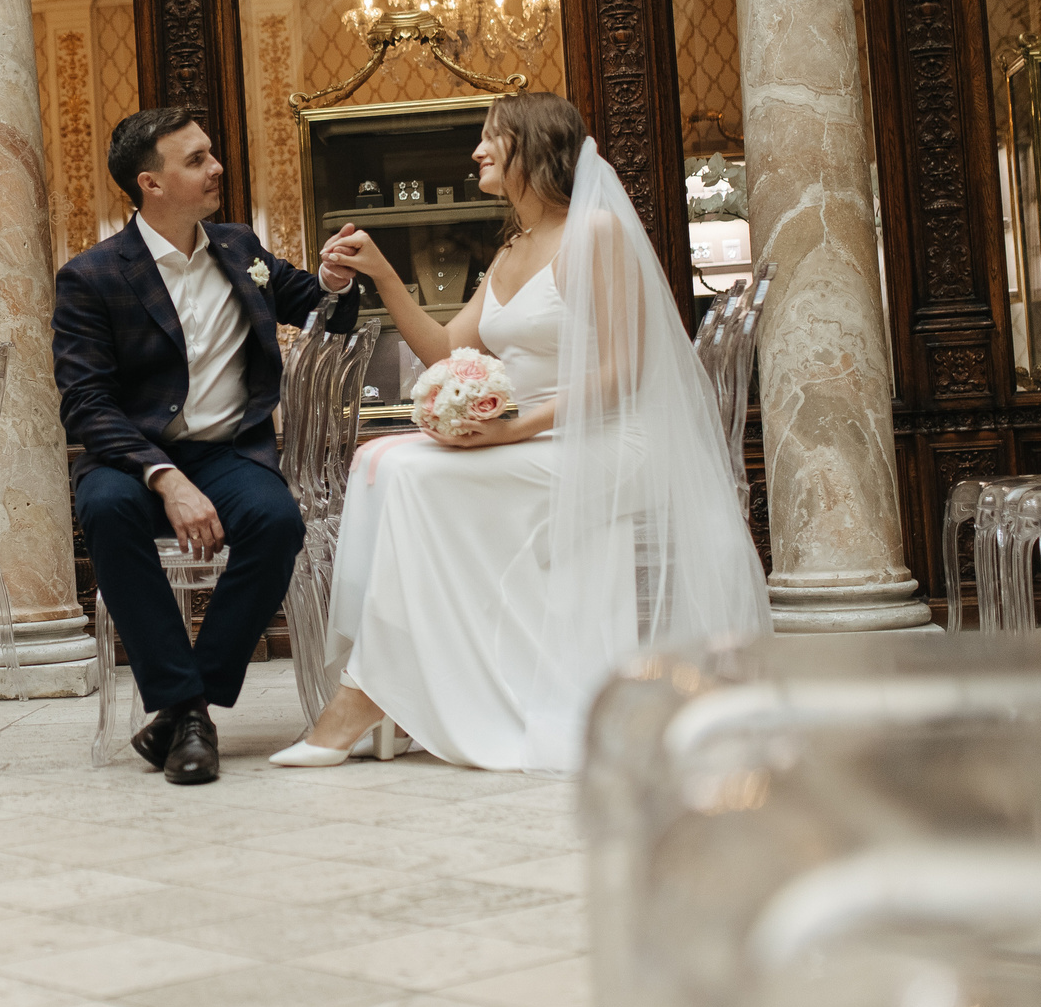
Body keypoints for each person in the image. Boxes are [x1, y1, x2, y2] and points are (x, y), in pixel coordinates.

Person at [274, 91, 769, 772]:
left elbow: (623, 374)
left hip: (610, 442)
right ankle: (389, 680)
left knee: (416, 477)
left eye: (491, 137)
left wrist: (513, 429)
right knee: (378, 460)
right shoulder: (513, 247)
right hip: (541, 436)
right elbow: (447, 347)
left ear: (533, 149)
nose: (476, 149)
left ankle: (365, 696)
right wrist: (383, 273)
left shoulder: (596, 233)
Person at [53, 109, 361, 784]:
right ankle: (186, 707)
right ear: (151, 182)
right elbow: (85, 403)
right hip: (133, 460)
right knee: (104, 510)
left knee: (276, 521)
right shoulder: (92, 276)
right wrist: (163, 475)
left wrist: (336, 279)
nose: (215, 167)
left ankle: (182, 707)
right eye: (195, 159)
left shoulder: (239, 248)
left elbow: (319, 309)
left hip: (228, 454)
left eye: (211, 153)